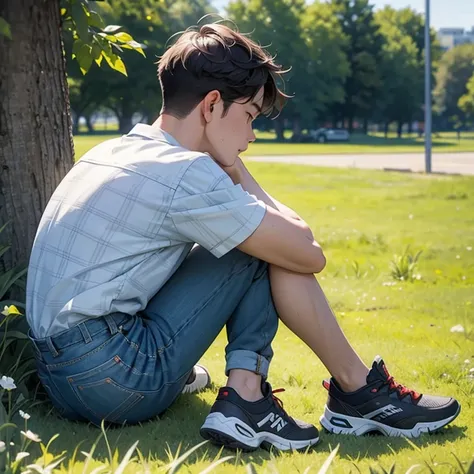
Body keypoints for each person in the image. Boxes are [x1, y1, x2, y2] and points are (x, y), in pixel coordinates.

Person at [25, 22, 460, 452]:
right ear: (212, 105)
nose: (251, 136)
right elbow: (306, 252)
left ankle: (330, 391)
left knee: (247, 234)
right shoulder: (185, 172)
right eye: (249, 116)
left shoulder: (115, 150)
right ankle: (312, 393)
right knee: (258, 248)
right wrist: (237, 170)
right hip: (113, 379)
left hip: (59, 376)